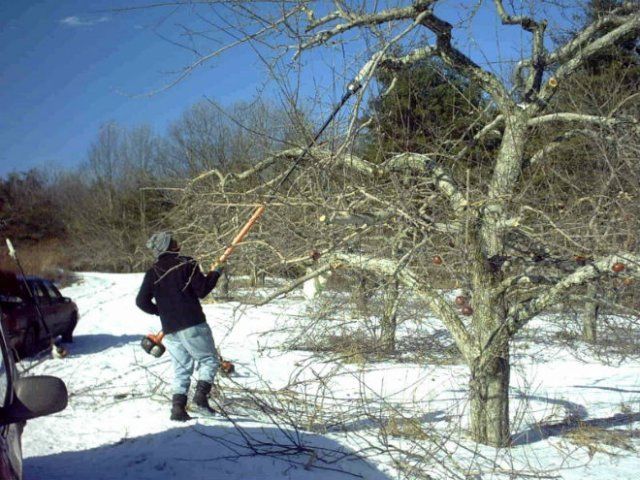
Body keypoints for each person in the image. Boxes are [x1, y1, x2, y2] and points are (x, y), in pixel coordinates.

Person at [136, 232, 224, 421]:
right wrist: (215, 274)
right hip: (192, 323)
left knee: (181, 369)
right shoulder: (186, 263)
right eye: (174, 241)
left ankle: (178, 410)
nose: (179, 243)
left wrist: (161, 311)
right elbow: (202, 290)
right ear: (169, 245)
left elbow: (141, 301)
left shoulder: (153, 272)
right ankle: (200, 399)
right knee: (209, 361)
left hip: (170, 329)